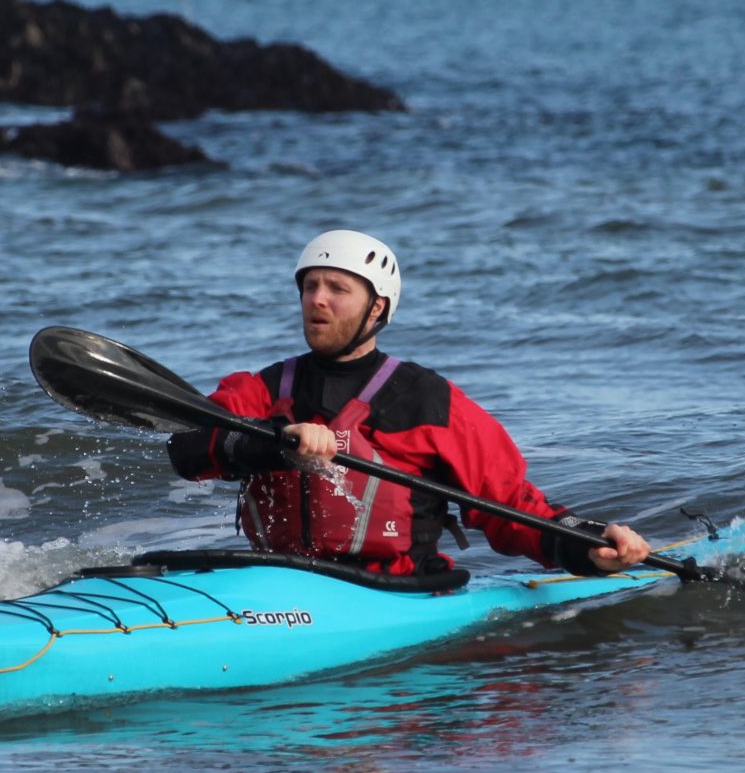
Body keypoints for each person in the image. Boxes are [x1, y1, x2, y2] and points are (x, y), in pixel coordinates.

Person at [167, 230, 653, 578]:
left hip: (397, 587)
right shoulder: (265, 387)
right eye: (310, 286)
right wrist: (271, 445)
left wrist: (586, 546)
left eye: (338, 289)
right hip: (277, 577)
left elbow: (510, 506)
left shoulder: (428, 400)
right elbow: (188, 448)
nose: (317, 299)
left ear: (376, 308)